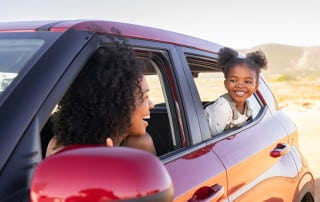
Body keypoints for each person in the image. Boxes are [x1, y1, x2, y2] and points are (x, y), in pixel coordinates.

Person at [46, 34, 156, 157]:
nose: (152, 105)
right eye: (145, 97)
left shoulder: (139, 144)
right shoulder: (59, 147)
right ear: (118, 106)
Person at [204, 47, 267, 135]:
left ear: (255, 87)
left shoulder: (248, 107)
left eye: (247, 81)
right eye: (233, 80)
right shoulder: (222, 109)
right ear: (226, 84)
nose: (240, 85)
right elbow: (213, 144)